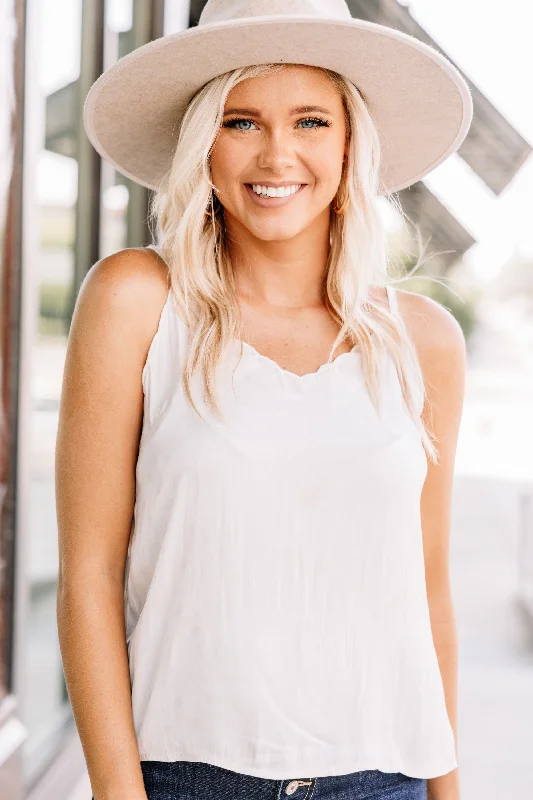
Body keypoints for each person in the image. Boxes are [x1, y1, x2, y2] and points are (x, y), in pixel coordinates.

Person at [55, 1, 472, 799]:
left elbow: (428, 590)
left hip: (382, 780)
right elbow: (88, 575)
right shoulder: (137, 301)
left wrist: (448, 791)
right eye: (240, 121)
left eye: (310, 120)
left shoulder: (421, 339)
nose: (276, 153)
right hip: (186, 778)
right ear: (201, 145)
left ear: (350, 144)